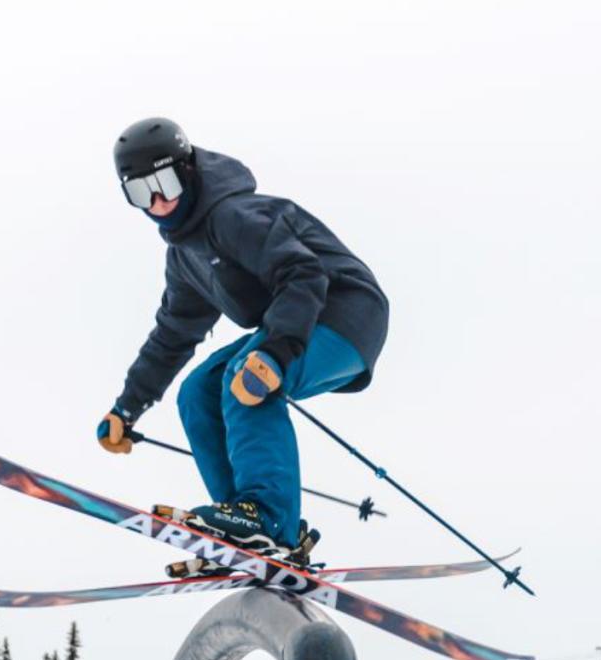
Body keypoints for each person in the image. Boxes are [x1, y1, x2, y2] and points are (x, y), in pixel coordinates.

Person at [96, 117, 390, 555]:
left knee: (245, 380)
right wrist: (128, 406)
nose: (157, 202)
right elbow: (172, 334)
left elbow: (303, 274)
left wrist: (274, 353)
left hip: (345, 311)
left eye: (166, 183)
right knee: (197, 393)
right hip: (295, 321)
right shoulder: (185, 256)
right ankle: (244, 521)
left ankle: (265, 515)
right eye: (140, 191)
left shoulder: (234, 216)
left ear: (189, 171)